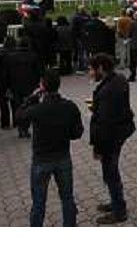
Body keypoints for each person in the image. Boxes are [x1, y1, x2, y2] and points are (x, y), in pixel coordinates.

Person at [15, 69, 84, 227]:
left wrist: (31, 98)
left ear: (42, 87)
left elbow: (18, 116)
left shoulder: (37, 109)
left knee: (39, 202)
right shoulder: (70, 106)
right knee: (67, 198)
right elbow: (78, 132)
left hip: (41, 160)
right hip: (63, 157)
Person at [88, 53, 136, 224]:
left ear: (101, 68)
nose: (90, 73)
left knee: (110, 173)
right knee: (112, 172)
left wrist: (98, 148)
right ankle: (116, 202)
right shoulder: (119, 79)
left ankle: (119, 210)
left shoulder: (108, 90)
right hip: (120, 131)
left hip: (111, 137)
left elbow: (104, 124)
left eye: (92, 69)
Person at [6, 36, 42, 138]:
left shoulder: (11, 57)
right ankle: (26, 127)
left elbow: (8, 73)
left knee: (18, 106)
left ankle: (20, 126)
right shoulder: (33, 56)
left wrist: (8, 86)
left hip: (16, 85)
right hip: (30, 85)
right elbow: (38, 72)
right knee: (31, 106)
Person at [0, 36, 16, 129]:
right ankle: (16, 121)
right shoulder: (16, 53)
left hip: (2, 81)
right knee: (15, 102)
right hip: (14, 80)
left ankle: (5, 123)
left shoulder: (0, 54)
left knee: (3, 103)